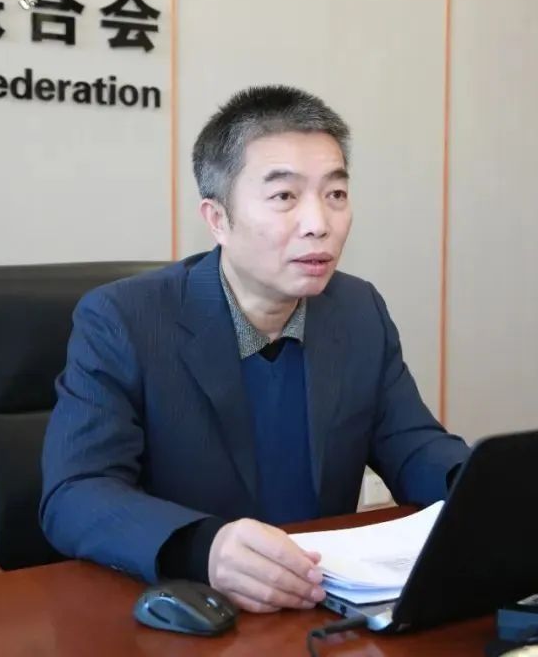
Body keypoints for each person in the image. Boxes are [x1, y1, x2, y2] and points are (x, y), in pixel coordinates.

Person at [40, 85, 470, 613]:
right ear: (218, 219)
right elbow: (76, 492)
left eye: (335, 194)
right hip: (193, 611)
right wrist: (203, 548)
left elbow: (412, 444)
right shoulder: (124, 321)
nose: (319, 224)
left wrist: (482, 489)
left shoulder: (358, 311)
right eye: (285, 196)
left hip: (321, 604)